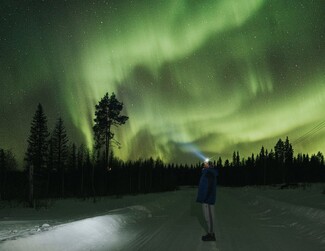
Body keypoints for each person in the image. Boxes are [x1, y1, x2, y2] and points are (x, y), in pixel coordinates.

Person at [196, 160, 218, 241]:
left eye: (206, 163)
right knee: (207, 217)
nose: (204, 164)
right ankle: (210, 233)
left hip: (207, 199)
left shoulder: (209, 173)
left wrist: (206, 198)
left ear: (209, 165)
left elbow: (209, 187)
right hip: (205, 198)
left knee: (209, 217)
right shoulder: (206, 172)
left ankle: (211, 235)